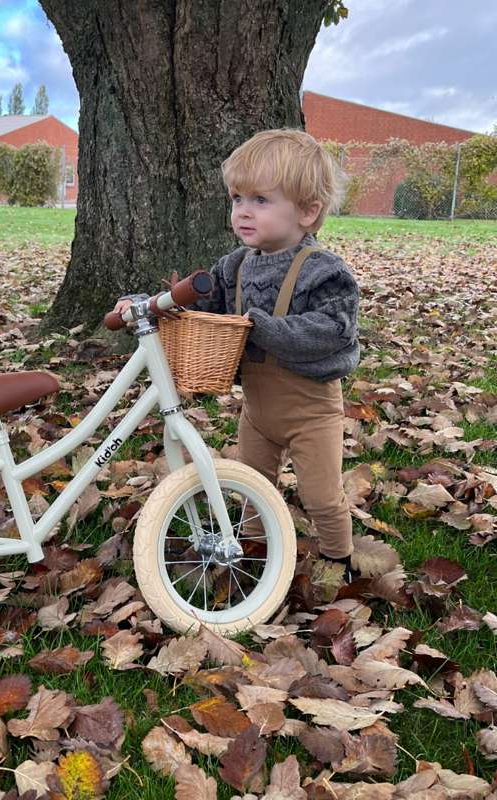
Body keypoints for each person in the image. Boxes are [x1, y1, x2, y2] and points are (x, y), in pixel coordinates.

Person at [114, 128, 360, 581]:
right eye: (237, 199)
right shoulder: (236, 265)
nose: (243, 211)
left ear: (307, 211)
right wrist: (149, 304)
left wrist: (263, 326)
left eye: (261, 200)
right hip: (259, 409)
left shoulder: (324, 272)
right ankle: (259, 546)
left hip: (311, 409)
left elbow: (334, 331)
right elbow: (196, 302)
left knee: (322, 494)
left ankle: (336, 557)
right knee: (252, 486)